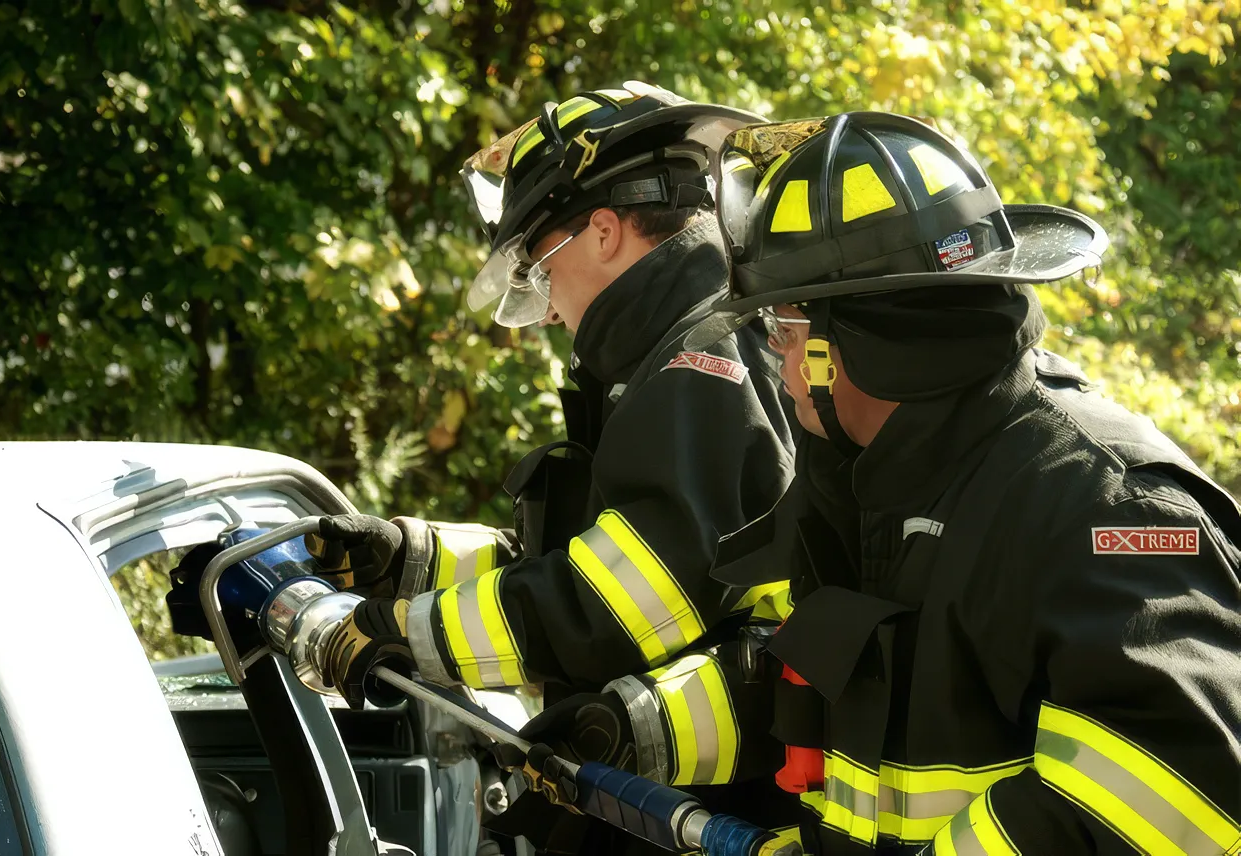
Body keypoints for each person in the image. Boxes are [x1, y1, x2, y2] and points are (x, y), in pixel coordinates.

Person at [699, 112, 1241, 854]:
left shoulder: (1104, 503)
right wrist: (646, 723)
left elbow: (1176, 802)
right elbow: (867, 695)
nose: (780, 366)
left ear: (846, 348)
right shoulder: (873, 480)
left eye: (784, 335)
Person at [309, 83, 804, 852]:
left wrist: (409, 632)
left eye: (541, 264)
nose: (542, 305)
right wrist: (407, 559)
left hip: (716, 810)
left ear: (604, 232)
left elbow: (622, 603)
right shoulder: (663, 354)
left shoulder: (701, 364)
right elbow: (585, 554)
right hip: (659, 795)